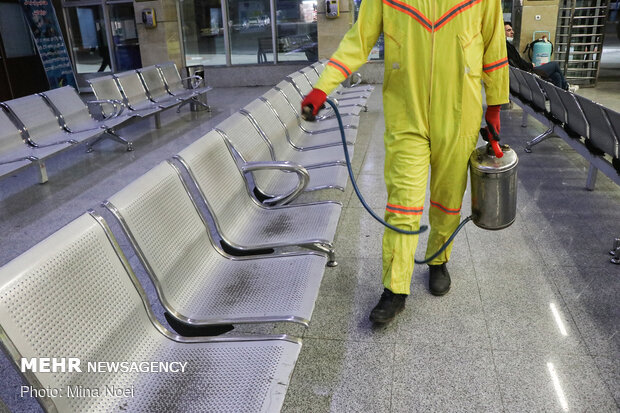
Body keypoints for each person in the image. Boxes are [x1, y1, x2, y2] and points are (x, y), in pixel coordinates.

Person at [301, 0, 508, 323]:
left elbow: (494, 45)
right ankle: (395, 288)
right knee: (403, 204)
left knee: (448, 199)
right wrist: (321, 88)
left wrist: (494, 106)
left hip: (459, 113)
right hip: (405, 114)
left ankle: (438, 259)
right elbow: (359, 40)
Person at [504, 22, 576, 92]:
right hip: (527, 73)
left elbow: (518, 61)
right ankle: (566, 87)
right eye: (508, 30)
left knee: (556, 75)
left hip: (524, 73)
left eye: (512, 30)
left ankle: (561, 95)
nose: (512, 32)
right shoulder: (507, 47)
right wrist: (530, 65)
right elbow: (519, 62)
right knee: (555, 65)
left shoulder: (508, 46)